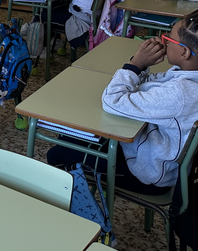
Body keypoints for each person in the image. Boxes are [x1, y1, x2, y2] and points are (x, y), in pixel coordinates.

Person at [48, 10, 198, 194]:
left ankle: (76, 210)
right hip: (158, 153)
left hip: (150, 173)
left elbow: (112, 100)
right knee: (69, 137)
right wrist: (141, 65)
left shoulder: (180, 93)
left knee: (56, 155)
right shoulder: (187, 78)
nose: (164, 40)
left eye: (169, 38)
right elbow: (148, 86)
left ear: (184, 52)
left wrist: (135, 64)